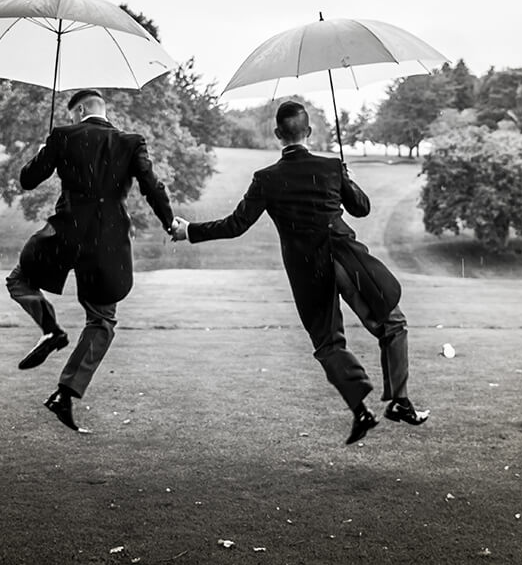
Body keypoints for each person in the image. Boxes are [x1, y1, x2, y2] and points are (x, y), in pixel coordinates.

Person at [170, 101, 427, 444]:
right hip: (346, 260)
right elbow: (362, 209)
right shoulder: (332, 167)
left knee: (327, 343)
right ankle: (399, 400)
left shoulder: (266, 179)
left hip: (308, 272)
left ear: (278, 134)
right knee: (392, 323)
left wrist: (189, 230)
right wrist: (344, 175)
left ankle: (361, 408)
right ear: (309, 132)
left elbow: (235, 226)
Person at [7, 89, 175, 432]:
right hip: (107, 244)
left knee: (19, 280)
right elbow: (151, 186)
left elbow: (27, 180)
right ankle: (65, 393)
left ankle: (51, 330)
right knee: (102, 321)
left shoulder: (63, 137)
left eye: (72, 115)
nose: (70, 120)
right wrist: (169, 220)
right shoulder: (131, 142)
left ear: (80, 109)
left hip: (64, 234)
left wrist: (42, 152)